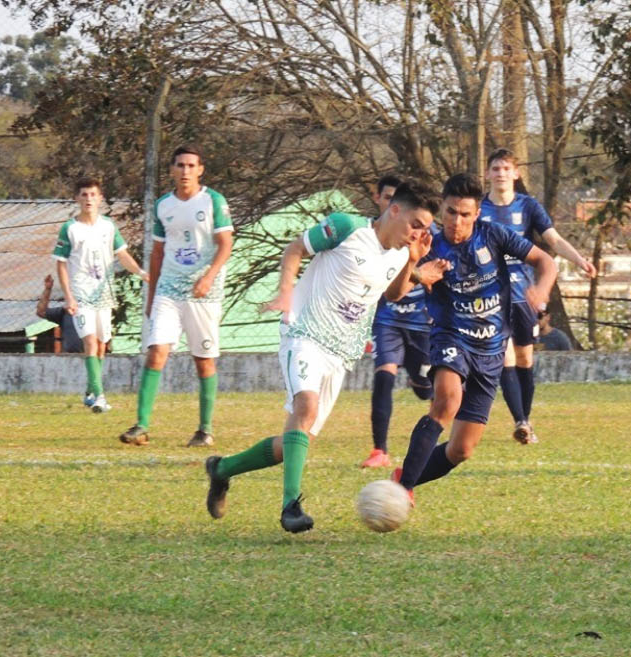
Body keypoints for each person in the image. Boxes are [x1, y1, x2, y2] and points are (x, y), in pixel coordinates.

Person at [201, 180, 445, 533]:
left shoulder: (401, 252)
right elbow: (294, 249)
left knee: (293, 443)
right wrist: (286, 294)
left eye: (425, 228)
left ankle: (222, 469)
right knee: (306, 407)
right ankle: (290, 507)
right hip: (303, 333)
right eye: (415, 224)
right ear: (394, 210)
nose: (419, 233)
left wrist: (415, 266)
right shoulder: (346, 227)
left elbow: (392, 294)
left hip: (341, 351)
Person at [390, 173, 557, 505]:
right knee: (447, 401)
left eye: (465, 214)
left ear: (477, 213)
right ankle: (404, 488)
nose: (457, 221)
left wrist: (541, 289)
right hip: (451, 337)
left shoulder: (493, 235)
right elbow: (394, 294)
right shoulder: (427, 245)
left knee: (461, 449)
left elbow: (546, 261)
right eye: (451, 212)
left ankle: (402, 479)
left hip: (492, 349)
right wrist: (414, 266)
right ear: (442, 210)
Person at [118, 145, 234, 447]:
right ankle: (141, 424)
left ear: (200, 170)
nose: (185, 171)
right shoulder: (163, 205)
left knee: (203, 361)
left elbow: (225, 244)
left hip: (202, 294)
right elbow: (157, 253)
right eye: (180, 166)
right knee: (156, 351)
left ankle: (204, 429)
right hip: (169, 289)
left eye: (190, 166)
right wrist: (151, 296)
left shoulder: (213, 202)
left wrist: (208, 277)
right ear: (172, 170)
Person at [480, 148, 595, 445]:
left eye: (506, 168)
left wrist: (580, 260)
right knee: (503, 356)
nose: (501, 173)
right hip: (492, 294)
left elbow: (553, 240)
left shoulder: (528, 206)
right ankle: (520, 421)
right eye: (496, 168)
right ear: (488, 174)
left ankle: (526, 420)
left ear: (516, 174)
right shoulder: (479, 209)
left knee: (524, 358)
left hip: (523, 294)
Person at [51, 177, 147, 413]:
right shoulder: (70, 228)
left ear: (100, 198)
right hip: (81, 295)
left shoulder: (108, 226)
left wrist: (141, 272)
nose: (88, 199)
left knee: (102, 345)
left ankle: (91, 389)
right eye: (84, 195)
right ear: (77, 199)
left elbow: (122, 255)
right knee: (90, 342)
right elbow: (61, 264)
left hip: (104, 294)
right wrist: (69, 297)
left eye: (93, 195)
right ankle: (101, 397)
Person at [364, 174, 436, 469]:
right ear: (381, 201)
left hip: (421, 321)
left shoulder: (423, 233)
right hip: (387, 319)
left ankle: (432, 433)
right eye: (386, 197)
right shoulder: (370, 238)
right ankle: (379, 449)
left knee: (425, 387)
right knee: (384, 376)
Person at [36, 274, 85, 355]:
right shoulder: (65, 312)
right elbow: (41, 311)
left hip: (90, 355)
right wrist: (48, 289)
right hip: (69, 357)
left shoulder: (94, 310)